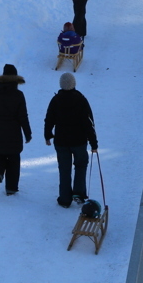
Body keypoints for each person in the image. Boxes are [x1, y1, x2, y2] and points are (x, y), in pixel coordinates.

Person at [44, 72, 98, 208]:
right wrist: (93, 143)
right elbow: (88, 123)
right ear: (74, 84)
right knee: (80, 165)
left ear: (61, 85)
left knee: (64, 169)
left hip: (61, 142)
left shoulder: (55, 100)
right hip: (79, 141)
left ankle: (64, 199)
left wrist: (48, 135)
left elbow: (49, 119)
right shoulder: (81, 100)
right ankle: (79, 194)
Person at [0, 64, 32, 196]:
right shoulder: (18, 95)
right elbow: (23, 116)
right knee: (14, 157)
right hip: (14, 131)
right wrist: (27, 133)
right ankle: (11, 188)